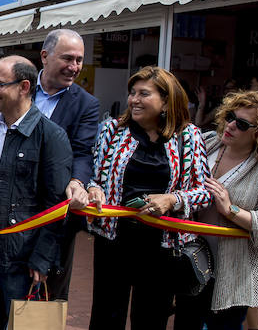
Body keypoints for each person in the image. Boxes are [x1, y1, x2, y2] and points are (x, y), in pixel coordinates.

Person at [84, 66, 212, 330]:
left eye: (144, 94)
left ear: (166, 101)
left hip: (162, 247)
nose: (134, 100)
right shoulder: (112, 130)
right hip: (113, 241)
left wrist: (172, 200)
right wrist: (94, 190)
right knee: (106, 316)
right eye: (132, 93)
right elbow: (94, 176)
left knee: (151, 318)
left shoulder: (189, 137)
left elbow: (203, 192)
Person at [0, 56, 72, 329]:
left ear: (23, 87)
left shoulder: (50, 136)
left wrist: (42, 259)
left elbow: (57, 206)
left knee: (25, 326)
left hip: (22, 258)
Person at [174, 90, 258, 330]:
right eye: (230, 116)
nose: (230, 125)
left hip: (233, 273)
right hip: (190, 262)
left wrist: (230, 210)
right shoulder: (208, 142)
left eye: (241, 124)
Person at [32, 29, 101, 301]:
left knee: (48, 298)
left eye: (79, 60)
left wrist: (77, 181)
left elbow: (83, 152)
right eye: (68, 58)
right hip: (10, 207)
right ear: (45, 57)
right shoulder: (19, 87)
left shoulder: (86, 104)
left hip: (55, 214)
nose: (74, 67)